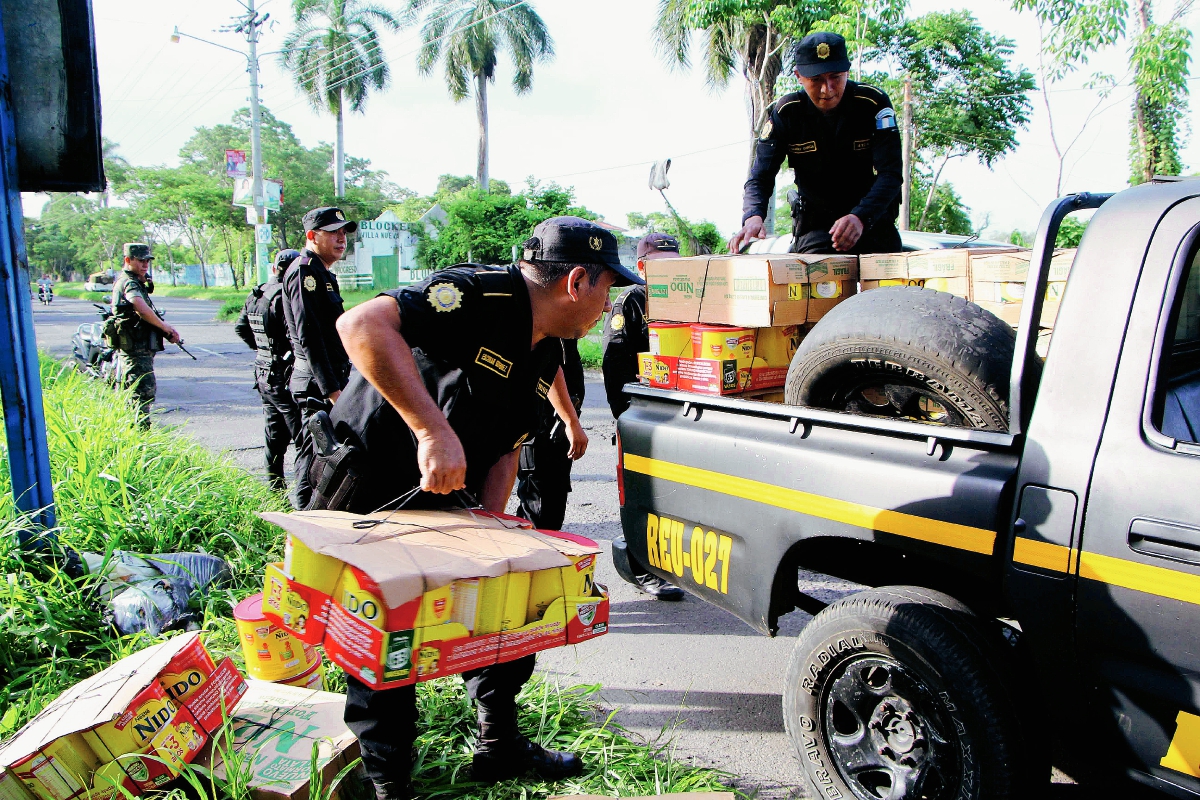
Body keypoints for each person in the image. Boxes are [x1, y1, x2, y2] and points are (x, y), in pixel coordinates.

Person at [322, 216, 642, 800]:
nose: (607, 304)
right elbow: (360, 323)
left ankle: (498, 741)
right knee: (390, 628)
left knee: (502, 599)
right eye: (606, 289)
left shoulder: (548, 346)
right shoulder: (480, 295)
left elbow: (506, 439)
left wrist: (488, 531)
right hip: (379, 478)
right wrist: (430, 431)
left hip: (453, 490)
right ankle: (387, 778)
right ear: (577, 281)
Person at [728, 31, 903, 256]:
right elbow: (760, 176)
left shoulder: (872, 104)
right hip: (818, 227)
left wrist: (860, 217)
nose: (827, 89)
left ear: (847, 71)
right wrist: (753, 216)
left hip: (872, 220)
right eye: (817, 79)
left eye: (835, 77)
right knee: (812, 282)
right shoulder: (786, 113)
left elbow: (891, 174)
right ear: (799, 76)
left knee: (891, 288)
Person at [600, 232, 686, 600]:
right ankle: (639, 568)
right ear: (642, 266)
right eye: (660, 265)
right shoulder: (632, 301)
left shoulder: (686, 298)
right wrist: (628, 421)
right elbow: (614, 366)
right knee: (640, 496)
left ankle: (670, 564)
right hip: (643, 416)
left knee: (675, 497)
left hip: (680, 416)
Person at [282, 207, 356, 509]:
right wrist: (331, 390)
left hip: (328, 379)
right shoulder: (304, 272)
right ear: (312, 236)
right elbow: (309, 335)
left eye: (344, 233)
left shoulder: (321, 272)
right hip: (316, 384)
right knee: (313, 456)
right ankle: (301, 524)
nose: (342, 239)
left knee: (326, 457)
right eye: (333, 233)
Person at [234, 249, 304, 492]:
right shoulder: (284, 296)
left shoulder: (257, 294)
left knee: (274, 438)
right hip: (284, 375)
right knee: (304, 440)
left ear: (275, 269)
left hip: (263, 373)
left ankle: (275, 490)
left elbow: (241, 328)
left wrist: (264, 350)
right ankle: (307, 496)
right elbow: (295, 336)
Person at [515, 337, 587, 530]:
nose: (606, 307)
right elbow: (550, 369)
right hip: (545, 426)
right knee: (539, 513)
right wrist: (570, 421)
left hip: (556, 425)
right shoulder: (551, 318)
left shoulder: (563, 324)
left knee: (551, 506)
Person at [109, 243, 182, 427]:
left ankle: (136, 434)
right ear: (128, 260)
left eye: (147, 261)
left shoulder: (136, 280)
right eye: (140, 261)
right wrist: (164, 327)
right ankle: (138, 438)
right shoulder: (129, 282)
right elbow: (140, 307)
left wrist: (166, 330)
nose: (144, 265)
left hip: (138, 350)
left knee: (139, 395)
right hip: (135, 352)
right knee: (140, 395)